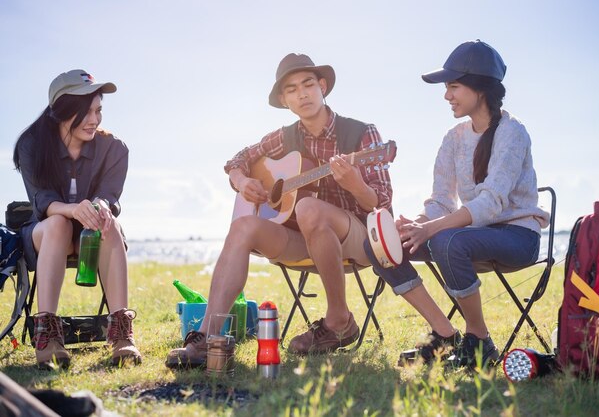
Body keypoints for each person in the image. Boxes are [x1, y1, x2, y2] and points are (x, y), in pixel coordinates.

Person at [166, 53, 393, 368]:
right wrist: (242, 180)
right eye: (291, 89)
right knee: (244, 225)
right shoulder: (285, 137)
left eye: (308, 84)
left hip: (358, 237)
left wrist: (355, 184)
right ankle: (208, 336)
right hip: (307, 240)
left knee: (309, 207)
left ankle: (339, 320)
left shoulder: (361, 134)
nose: (302, 94)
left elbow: (381, 204)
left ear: (322, 86)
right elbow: (238, 159)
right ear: (285, 100)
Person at [364, 40, 549, 368]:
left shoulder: (512, 132)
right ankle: (444, 334)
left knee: (446, 240)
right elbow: (440, 201)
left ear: (479, 88)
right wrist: (415, 225)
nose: (447, 95)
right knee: (379, 245)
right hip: (467, 236)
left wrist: (431, 229)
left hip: (517, 237)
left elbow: (490, 203)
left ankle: (478, 340)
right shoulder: (454, 137)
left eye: (454, 86)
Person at [13, 70, 142, 369]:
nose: (94, 120)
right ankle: (47, 336)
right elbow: (41, 200)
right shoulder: (31, 144)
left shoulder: (115, 148)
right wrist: (72, 210)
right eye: (85, 112)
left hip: (92, 236)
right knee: (58, 224)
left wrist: (100, 206)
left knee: (107, 223)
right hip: (45, 234)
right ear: (62, 111)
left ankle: (122, 335)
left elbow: (110, 194)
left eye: (98, 110)